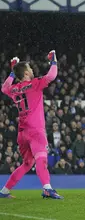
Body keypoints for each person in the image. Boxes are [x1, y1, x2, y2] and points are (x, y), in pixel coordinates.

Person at [0, 52, 64, 199]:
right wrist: (53, 61)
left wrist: (11, 72)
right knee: (41, 158)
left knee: (28, 163)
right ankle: (47, 188)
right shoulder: (34, 84)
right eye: (30, 67)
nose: (32, 69)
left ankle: (4, 191)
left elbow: (4, 88)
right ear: (27, 72)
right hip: (35, 130)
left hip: (22, 133)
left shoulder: (14, 89)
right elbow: (51, 76)